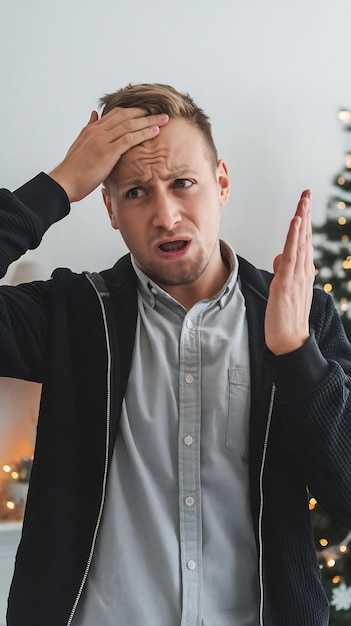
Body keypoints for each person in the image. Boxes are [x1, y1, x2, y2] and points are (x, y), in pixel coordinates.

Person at [1, 83, 351, 626]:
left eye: (183, 183)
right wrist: (59, 184)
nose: (166, 215)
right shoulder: (72, 314)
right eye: (136, 193)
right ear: (110, 210)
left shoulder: (305, 317)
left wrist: (297, 354)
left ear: (222, 183)